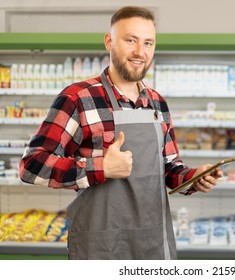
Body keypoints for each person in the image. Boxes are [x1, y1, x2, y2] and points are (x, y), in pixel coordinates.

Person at [19, 6, 223, 260]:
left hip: (153, 244)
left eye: (148, 43)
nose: (140, 52)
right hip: (100, 248)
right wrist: (101, 167)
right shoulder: (78, 98)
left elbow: (170, 168)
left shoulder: (157, 103)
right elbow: (31, 165)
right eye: (131, 40)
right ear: (109, 42)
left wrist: (194, 177)